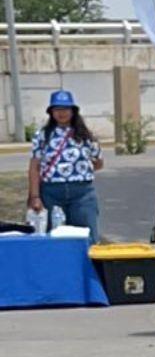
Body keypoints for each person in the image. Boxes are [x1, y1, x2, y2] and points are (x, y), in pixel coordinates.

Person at [26, 90, 103, 244]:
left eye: (66, 109)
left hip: (82, 194)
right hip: (51, 193)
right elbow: (34, 167)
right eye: (57, 109)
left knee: (87, 238)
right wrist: (35, 196)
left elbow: (99, 162)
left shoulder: (86, 135)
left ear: (73, 111)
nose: (62, 113)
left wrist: (79, 172)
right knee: (53, 238)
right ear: (51, 112)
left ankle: (88, 268)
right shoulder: (42, 135)